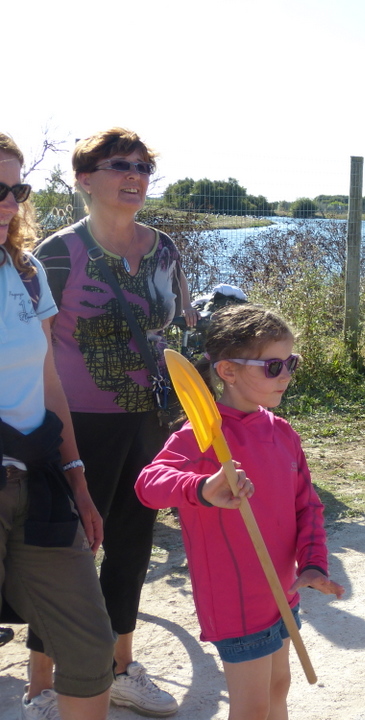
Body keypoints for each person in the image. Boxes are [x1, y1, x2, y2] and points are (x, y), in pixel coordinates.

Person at [31, 128, 182, 716]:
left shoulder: (164, 247)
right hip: (75, 422)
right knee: (66, 553)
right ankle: (44, 684)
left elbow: (175, 325)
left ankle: (120, 667)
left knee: (131, 543)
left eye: (144, 166)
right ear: (84, 179)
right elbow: (35, 349)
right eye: (120, 165)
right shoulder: (57, 253)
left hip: (147, 417)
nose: (135, 176)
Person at [136, 304, 344, 720]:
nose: (285, 374)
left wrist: (315, 563)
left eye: (291, 363)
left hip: (282, 590)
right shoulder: (201, 434)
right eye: (272, 366)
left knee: (278, 687)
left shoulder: (282, 432)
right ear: (228, 372)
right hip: (237, 600)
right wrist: (200, 488)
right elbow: (149, 485)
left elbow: (308, 506)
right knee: (250, 707)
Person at [0, 132, 115, 720]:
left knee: (89, 644)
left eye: (16, 189)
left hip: (38, 480)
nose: (9, 204)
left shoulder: (24, 272)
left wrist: (77, 480)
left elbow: (50, 385)